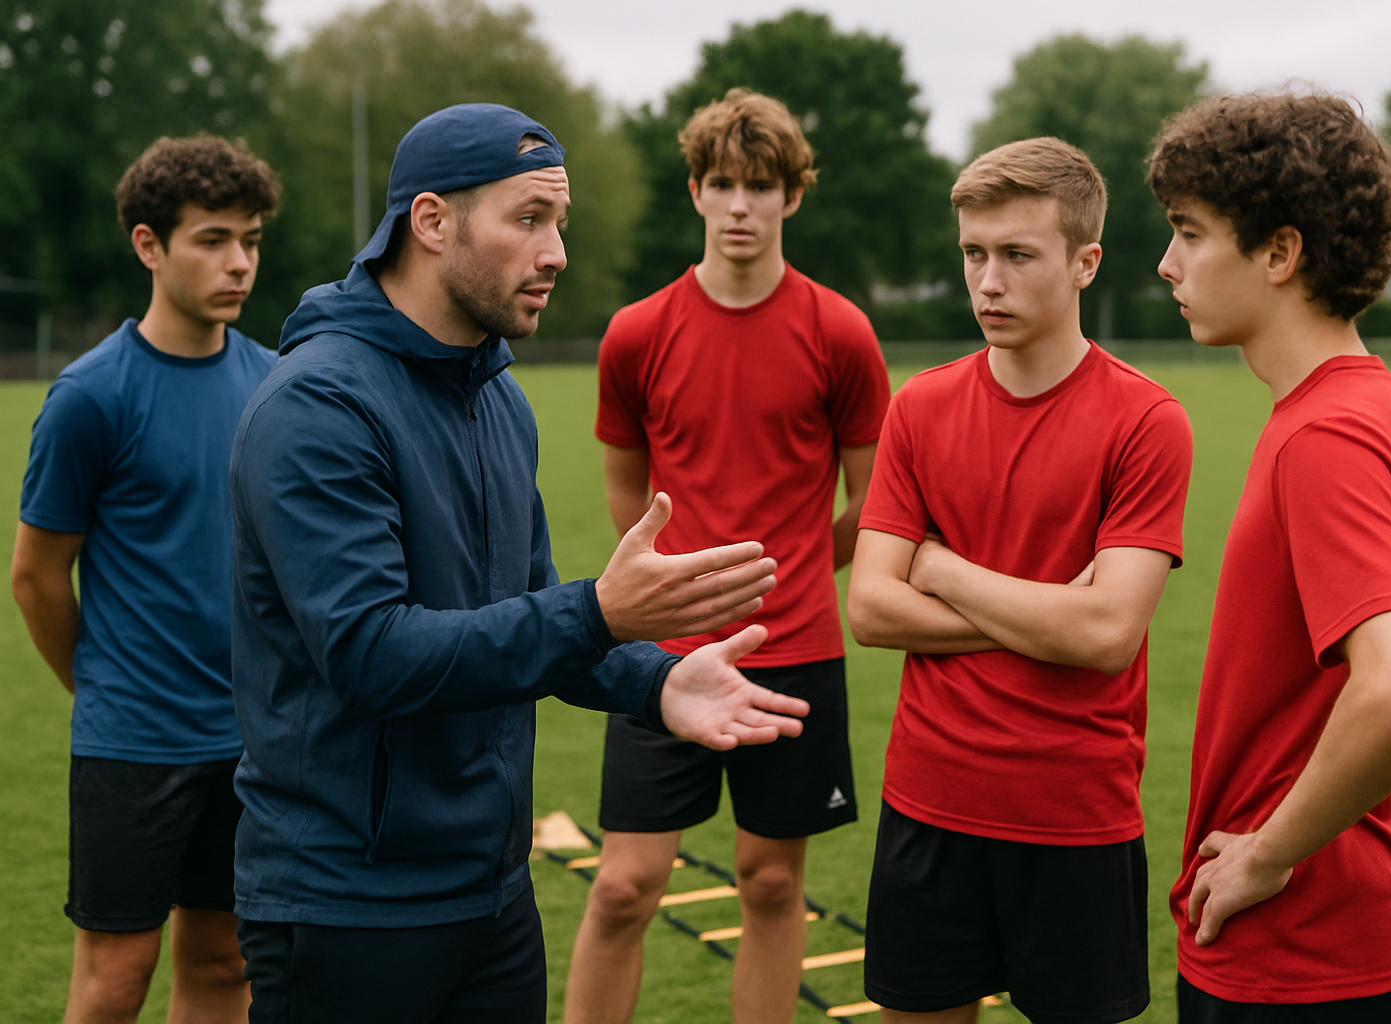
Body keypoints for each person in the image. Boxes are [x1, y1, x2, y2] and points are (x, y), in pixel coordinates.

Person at [227, 103, 809, 1024]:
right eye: (529, 219)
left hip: (493, 895)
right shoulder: (317, 408)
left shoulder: (498, 398)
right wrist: (601, 617)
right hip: (346, 903)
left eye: (559, 224)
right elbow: (373, 655)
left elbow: (527, 609)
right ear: (431, 222)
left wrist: (656, 685)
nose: (557, 254)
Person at [846, 137, 1193, 1024]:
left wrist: (946, 569)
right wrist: (1052, 610)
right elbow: (874, 609)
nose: (987, 282)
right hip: (929, 799)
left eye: (1016, 256)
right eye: (973, 254)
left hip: (1075, 816)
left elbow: (1108, 637)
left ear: (1085, 263)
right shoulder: (920, 405)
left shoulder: (1148, 422)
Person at [565, 87, 891, 1024]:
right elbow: (629, 492)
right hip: (659, 655)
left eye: (761, 185)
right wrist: (671, 592)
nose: (740, 205)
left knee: (769, 885)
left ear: (793, 195)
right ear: (696, 193)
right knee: (626, 882)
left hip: (795, 652)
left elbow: (871, 507)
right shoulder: (637, 332)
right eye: (721, 184)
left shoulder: (840, 333)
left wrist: (782, 575)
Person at [1149, 93, 1391, 1024]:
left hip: (1295, 942)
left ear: (1280, 254)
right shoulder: (1369, 405)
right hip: (1324, 935)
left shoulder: (1328, 435)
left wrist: (1270, 850)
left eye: (1190, 233)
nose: (1167, 263)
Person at [11, 136, 280, 1023]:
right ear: (148, 246)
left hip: (251, 739)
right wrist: (103, 691)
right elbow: (37, 576)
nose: (238, 261)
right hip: (133, 743)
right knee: (115, 979)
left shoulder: (277, 387)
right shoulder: (91, 396)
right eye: (212, 239)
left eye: (249, 238)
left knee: (222, 967)